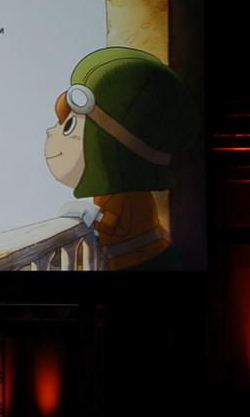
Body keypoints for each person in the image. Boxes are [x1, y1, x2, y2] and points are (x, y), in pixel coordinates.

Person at [44, 47, 199, 270]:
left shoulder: (126, 189)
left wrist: (92, 214)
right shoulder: (111, 189)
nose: (51, 132)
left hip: (146, 263)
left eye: (69, 126)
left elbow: (118, 227)